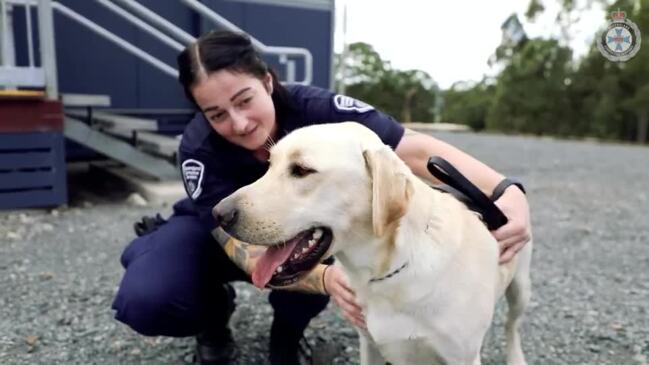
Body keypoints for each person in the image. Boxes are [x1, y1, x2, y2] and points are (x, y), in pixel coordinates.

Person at [111, 30, 531, 365]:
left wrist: (505, 190)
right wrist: (326, 279)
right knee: (150, 295)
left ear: (268, 83)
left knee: (328, 239)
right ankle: (212, 319)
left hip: (299, 225)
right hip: (218, 230)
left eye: (245, 101)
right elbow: (232, 241)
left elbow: (412, 150)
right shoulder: (198, 150)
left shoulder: (320, 112)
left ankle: (286, 339)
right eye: (216, 113)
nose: (237, 123)